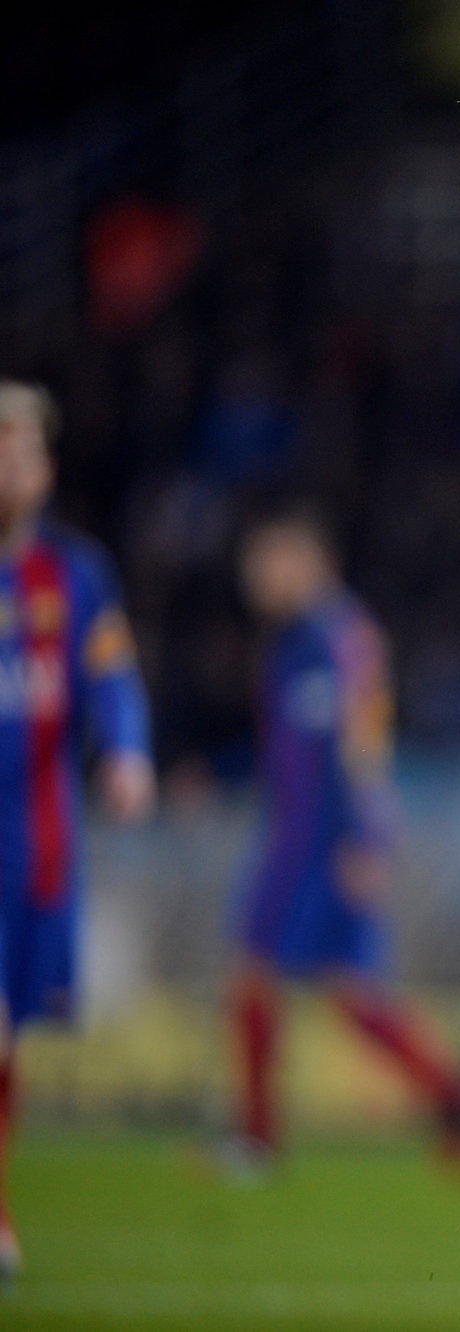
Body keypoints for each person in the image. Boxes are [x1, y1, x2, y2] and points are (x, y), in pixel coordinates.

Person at [225, 512, 460, 1173]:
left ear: (311, 564)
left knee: (352, 996)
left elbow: (365, 747)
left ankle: (453, 1100)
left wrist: (366, 838)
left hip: (332, 842)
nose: (260, 578)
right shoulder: (287, 647)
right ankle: (257, 1138)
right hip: (291, 838)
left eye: (272, 562)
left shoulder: (343, 639)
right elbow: (285, 752)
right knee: (254, 979)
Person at [0, 380, 156, 1281]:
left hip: (36, 840)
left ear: (46, 467)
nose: (11, 466)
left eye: (23, 451)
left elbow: (110, 675)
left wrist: (128, 751)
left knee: (8, 1037)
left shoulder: (76, 574)